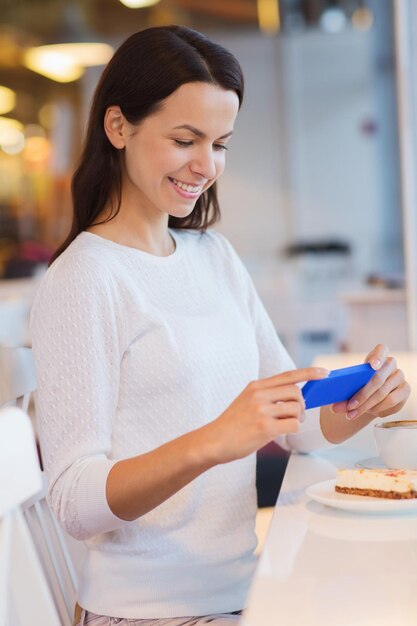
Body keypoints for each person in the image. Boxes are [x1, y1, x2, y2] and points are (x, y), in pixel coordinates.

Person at [30, 25, 410, 626]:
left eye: (221, 143)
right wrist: (216, 439)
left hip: (239, 593)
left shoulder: (213, 256)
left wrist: (358, 400)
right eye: (186, 139)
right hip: (148, 614)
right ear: (118, 126)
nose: (207, 165)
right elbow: (75, 501)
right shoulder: (85, 279)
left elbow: (300, 427)